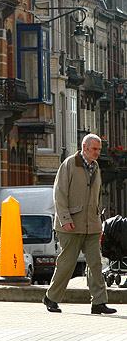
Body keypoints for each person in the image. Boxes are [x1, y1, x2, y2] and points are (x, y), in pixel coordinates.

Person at [43, 133, 116, 315]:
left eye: (99, 149)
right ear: (84, 148)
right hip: (71, 225)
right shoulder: (69, 164)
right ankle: (51, 298)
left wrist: (98, 221)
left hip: (92, 225)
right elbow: (59, 193)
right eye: (94, 149)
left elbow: (97, 197)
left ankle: (99, 302)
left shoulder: (96, 167)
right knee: (67, 264)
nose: (97, 152)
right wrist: (65, 219)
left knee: (95, 264)